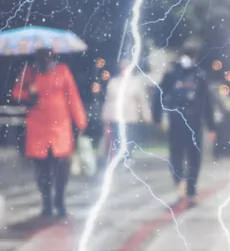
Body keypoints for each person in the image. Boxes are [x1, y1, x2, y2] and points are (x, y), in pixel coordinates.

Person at [12, 48, 88, 218]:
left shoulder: (62, 71)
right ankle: (46, 203)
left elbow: (72, 96)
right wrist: (28, 94)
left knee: (62, 165)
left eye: (48, 57)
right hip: (38, 126)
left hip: (60, 125)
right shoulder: (29, 73)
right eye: (41, 58)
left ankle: (59, 201)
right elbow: (16, 92)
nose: (45, 61)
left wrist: (80, 120)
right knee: (42, 168)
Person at [153, 47, 216, 208]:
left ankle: (187, 187)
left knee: (187, 155)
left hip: (187, 121)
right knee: (182, 155)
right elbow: (159, 95)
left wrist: (211, 126)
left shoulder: (194, 76)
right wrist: (157, 117)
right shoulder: (175, 75)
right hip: (183, 121)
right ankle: (184, 185)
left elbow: (207, 102)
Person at [101, 60, 153, 164]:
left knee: (129, 137)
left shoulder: (136, 83)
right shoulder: (113, 82)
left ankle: (127, 156)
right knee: (116, 137)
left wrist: (146, 115)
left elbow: (142, 100)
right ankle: (118, 157)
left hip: (130, 116)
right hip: (115, 116)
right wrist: (105, 115)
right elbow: (108, 100)